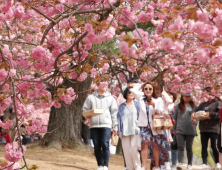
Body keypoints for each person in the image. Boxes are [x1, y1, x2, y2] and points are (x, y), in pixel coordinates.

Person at [131, 81, 168, 170]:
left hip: (155, 126)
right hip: (144, 126)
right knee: (144, 145)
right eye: (146, 88)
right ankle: (143, 166)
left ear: (153, 90)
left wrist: (154, 105)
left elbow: (161, 112)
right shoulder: (140, 97)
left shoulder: (158, 99)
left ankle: (156, 166)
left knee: (155, 146)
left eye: (150, 89)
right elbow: (133, 91)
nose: (148, 90)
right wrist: (141, 84)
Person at [83, 81, 118, 170]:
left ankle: (105, 165)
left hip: (106, 124)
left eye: (106, 84)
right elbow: (85, 110)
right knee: (97, 145)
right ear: (98, 85)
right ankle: (100, 165)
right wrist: (88, 115)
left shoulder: (111, 98)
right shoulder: (90, 98)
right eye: (102, 84)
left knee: (105, 144)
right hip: (94, 125)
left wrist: (115, 126)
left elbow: (114, 113)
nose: (105, 85)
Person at [193, 87, 222, 169]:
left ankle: (217, 162)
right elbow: (194, 110)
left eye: (205, 93)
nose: (204, 94)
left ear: (211, 93)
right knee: (204, 146)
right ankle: (204, 163)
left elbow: (219, 115)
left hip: (213, 128)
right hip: (203, 128)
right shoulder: (203, 104)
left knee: (213, 146)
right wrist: (192, 114)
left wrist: (209, 114)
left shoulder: (217, 103)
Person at [116, 78, 138, 170]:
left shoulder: (137, 103)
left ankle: (137, 167)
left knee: (134, 150)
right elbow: (118, 118)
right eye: (129, 93)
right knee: (126, 151)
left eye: (132, 93)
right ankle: (129, 167)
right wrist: (117, 128)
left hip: (135, 130)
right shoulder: (121, 105)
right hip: (124, 130)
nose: (131, 94)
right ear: (126, 94)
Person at [173, 93, 197, 170]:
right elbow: (175, 118)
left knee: (189, 148)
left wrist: (194, 123)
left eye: (189, 96)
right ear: (182, 97)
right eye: (185, 96)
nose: (187, 98)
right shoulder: (178, 106)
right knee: (180, 147)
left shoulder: (194, 106)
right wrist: (174, 129)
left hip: (191, 130)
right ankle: (180, 163)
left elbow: (197, 119)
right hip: (179, 130)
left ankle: (189, 164)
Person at [167, 91, 178, 170]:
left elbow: (179, 118)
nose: (169, 96)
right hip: (165, 128)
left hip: (174, 128)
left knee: (174, 147)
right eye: (167, 95)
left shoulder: (176, 106)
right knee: (165, 147)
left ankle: (174, 164)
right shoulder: (163, 105)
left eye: (171, 95)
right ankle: (165, 163)